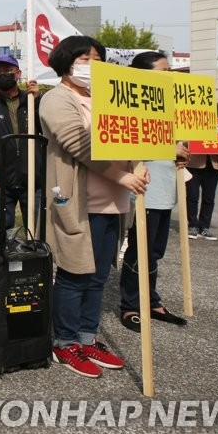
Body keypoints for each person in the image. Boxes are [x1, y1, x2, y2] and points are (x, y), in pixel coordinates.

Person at [40, 35, 148, 379]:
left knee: (99, 277)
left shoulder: (106, 98)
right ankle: (66, 341)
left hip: (114, 204)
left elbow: (134, 132)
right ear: (66, 62)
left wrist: (142, 161)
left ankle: (88, 337)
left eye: (99, 59)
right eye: (85, 58)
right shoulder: (56, 99)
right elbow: (78, 143)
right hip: (78, 202)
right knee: (74, 275)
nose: (93, 65)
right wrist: (121, 175)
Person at [118, 51, 189, 332]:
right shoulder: (129, 108)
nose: (170, 74)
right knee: (139, 251)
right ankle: (131, 305)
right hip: (142, 192)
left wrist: (181, 155)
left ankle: (151, 299)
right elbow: (124, 144)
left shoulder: (167, 107)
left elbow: (173, 149)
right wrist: (168, 148)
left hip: (163, 192)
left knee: (155, 252)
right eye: (164, 70)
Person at [0, 54, 43, 230]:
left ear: (18, 73)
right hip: (1, 181)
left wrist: (37, 101)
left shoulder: (32, 101)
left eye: (6, 71)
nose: (1, 75)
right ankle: (3, 257)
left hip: (33, 180)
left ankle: (33, 258)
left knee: (35, 230)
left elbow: (47, 130)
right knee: (2, 231)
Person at [186, 152, 218, 240]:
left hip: (214, 164)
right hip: (194, 163)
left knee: (209, 198)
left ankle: (204, 227)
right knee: (192, 195)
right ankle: (192, 225)